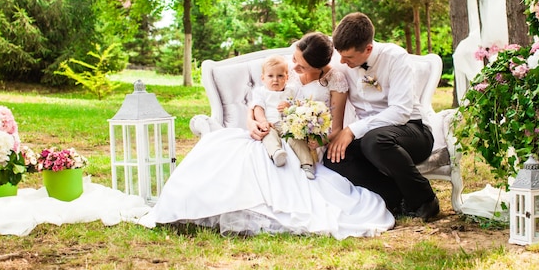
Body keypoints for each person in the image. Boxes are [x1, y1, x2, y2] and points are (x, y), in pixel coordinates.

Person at [139, 32, 396, 239]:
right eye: (294, 59)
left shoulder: (335, 81)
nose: (293, 67)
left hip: (305, 142)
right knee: (221, 146)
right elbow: (259, 104)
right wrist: (253, 124)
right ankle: (192, 205)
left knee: (275, 165)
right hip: (270, 131)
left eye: (300, 65)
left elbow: (335, 129)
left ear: (318, 67)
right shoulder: (287, 70)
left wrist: (311, 136)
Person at [324, 12, 439, 221]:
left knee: (374, 141)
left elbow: (400, 111)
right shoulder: (341, 62)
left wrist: (351, 130)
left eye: (348, 57)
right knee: (334, 158)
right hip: (371, 136)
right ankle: (395, 198)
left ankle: (425, 199)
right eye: (340, 55)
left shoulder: (395, 57)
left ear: (368, 48)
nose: (342, 61)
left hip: (412, 131)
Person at [250, 55, 316, 179]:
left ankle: (307, 164)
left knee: (297, 139)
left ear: (287, 77)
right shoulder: (260, 92)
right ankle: (276, 153)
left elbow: (301, 105)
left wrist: (290, 106)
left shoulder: (291, 90)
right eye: (270, 76)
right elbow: (258, 108)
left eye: (280, 76)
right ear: (263, 78)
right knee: (267, 135)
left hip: (289, 125)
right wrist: (263, 121)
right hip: (270, 124)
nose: (275, 80)